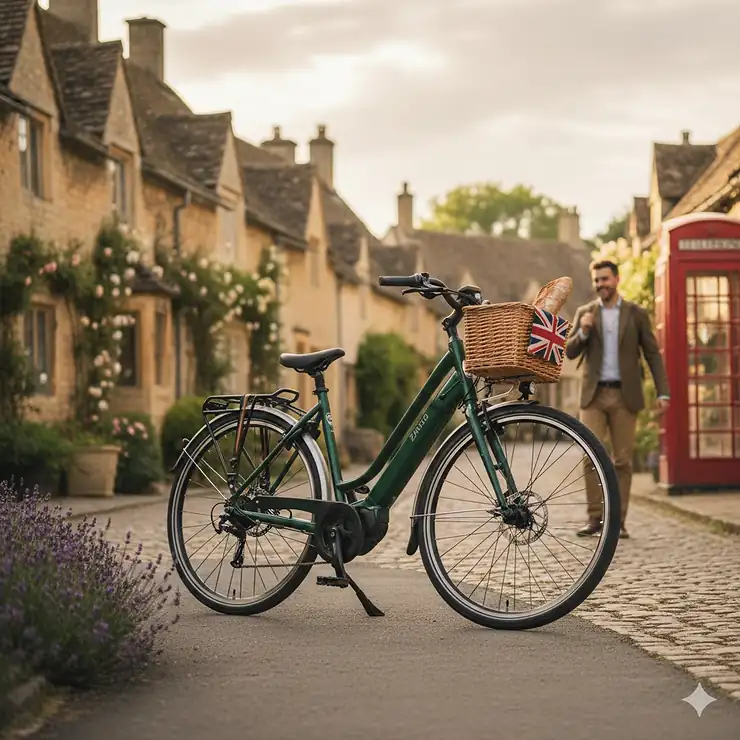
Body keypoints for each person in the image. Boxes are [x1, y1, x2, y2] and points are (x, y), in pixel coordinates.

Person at [565, 259, 670, 539]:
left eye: (605, 279)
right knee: (590, 457)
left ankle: (618, 522)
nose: (600, 284)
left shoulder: (636, 314)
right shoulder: (585, 312)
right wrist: (584, 331)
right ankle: (595, 519)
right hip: (594, 395)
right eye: (597, 280)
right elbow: (570, 352)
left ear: (617, 280)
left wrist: (663, 391)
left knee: (622, 461)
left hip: (625, 395)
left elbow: (652, 355)